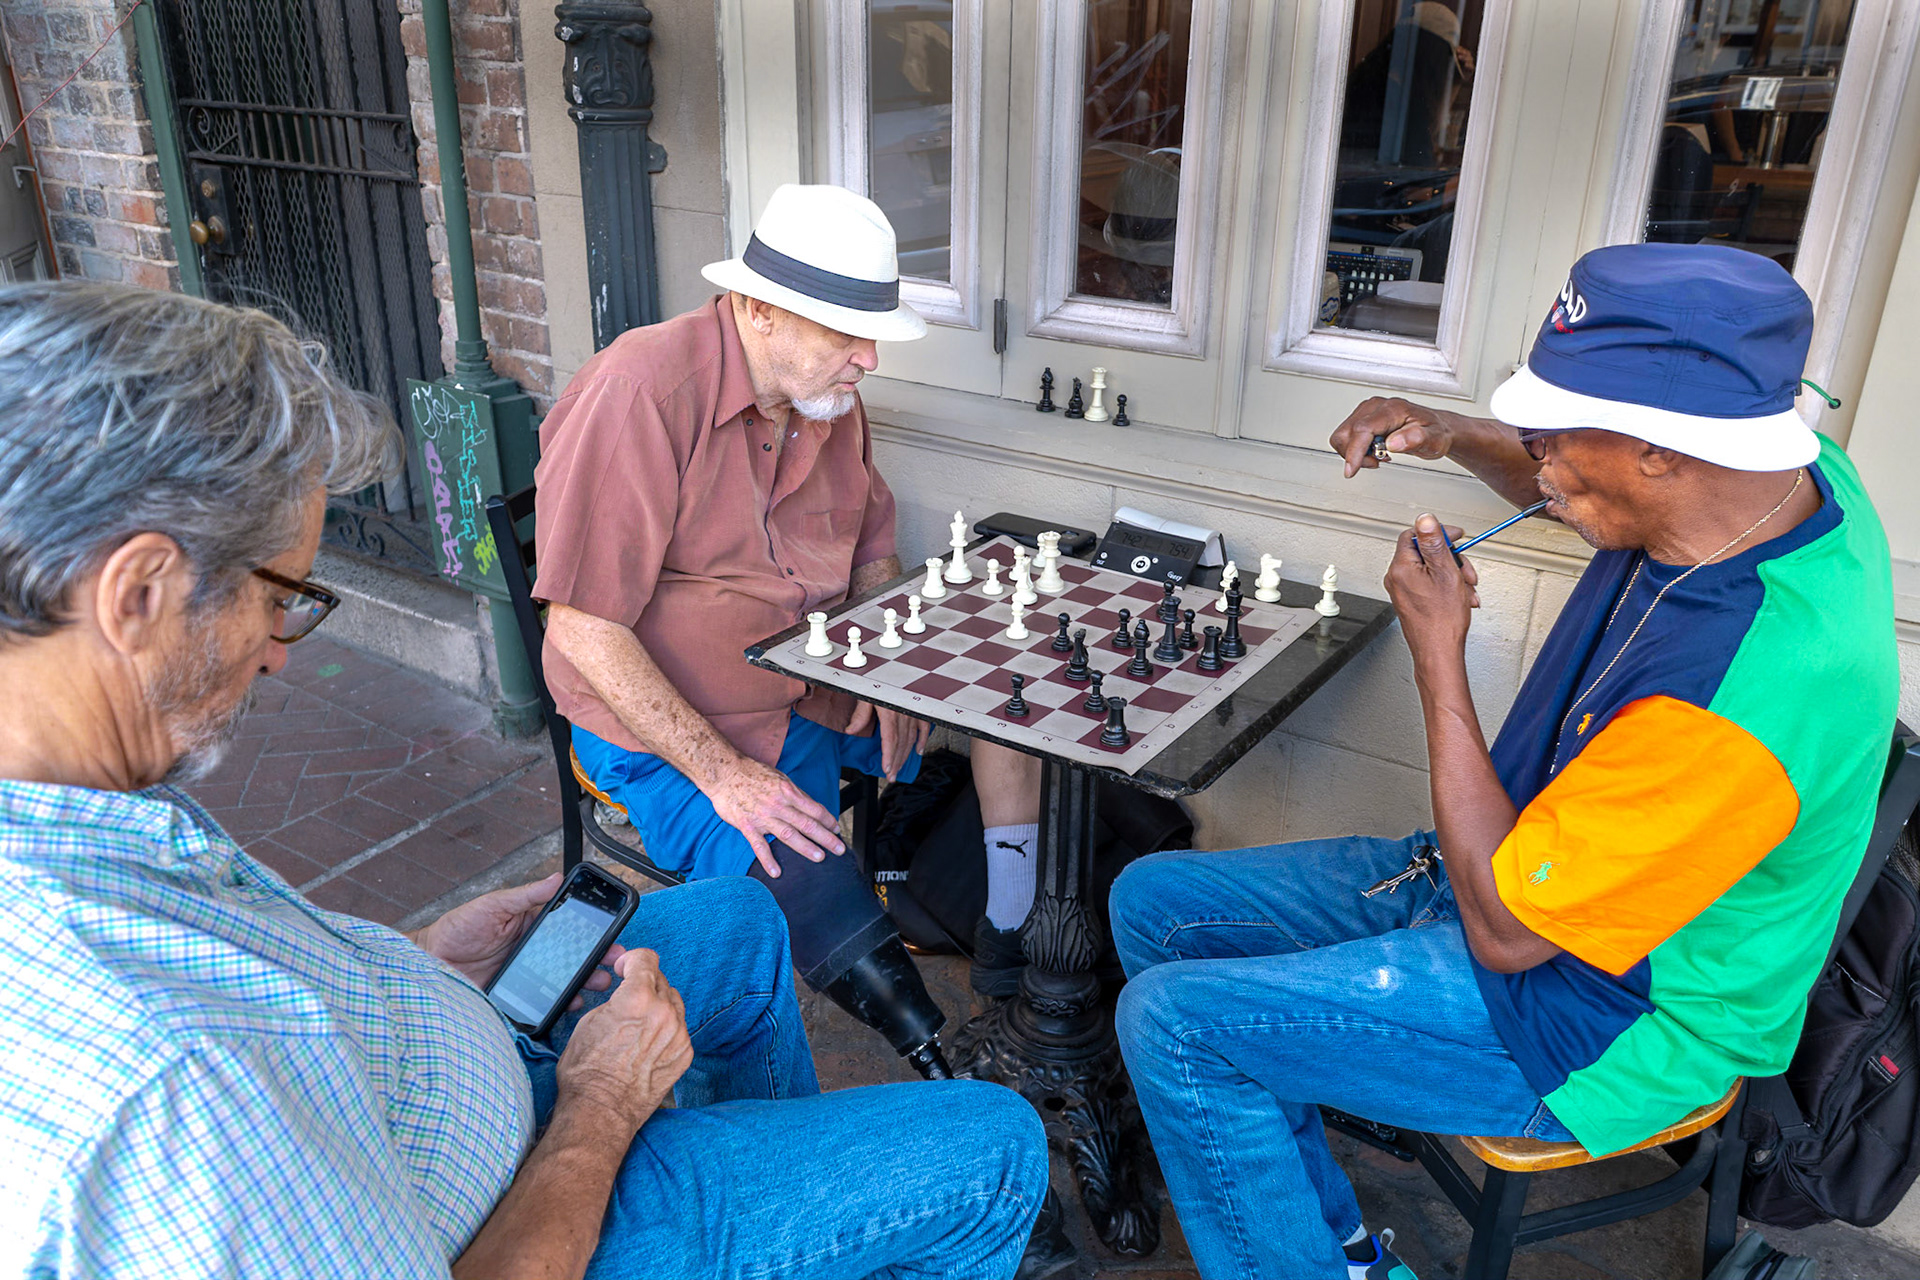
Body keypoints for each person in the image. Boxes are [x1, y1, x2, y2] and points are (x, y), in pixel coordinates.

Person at [0, 281, 1048, 1279]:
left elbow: (265, 1006)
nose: (280, 651)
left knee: (736, 919)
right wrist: (599, 1103)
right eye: (283, 596)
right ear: (135, 592)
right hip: (535, 1199)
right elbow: (584, 624)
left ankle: (787, 1201)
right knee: (996, 1141)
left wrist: (410, 959)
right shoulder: (154, 1076)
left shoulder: (93, 810)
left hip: (436, 1066)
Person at [1109, 243, 1899, 1279]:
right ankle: (1337, 1251)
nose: (1540, 465)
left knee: (1175, 1027)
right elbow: (1581, 471)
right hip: (1530, 868)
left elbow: (1508, 931)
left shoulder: (1754, 689)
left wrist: (1438, 654)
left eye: (1557, 439)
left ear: (1666, 449)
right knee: (1151, 903)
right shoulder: (1775, 468)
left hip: (1609, 1010)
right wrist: (1454, 436)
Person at [534, 183, 1045, 1073]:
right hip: (671, 732)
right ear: (761, 310)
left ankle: (1009, 939)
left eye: (871, 333)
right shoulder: (641, 392)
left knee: (1012, 693)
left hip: (810, 685)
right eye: (847, 334)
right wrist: (726, 776)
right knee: (780, 906)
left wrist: (888, 666)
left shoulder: (825, 401)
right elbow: (584, 627)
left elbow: (872, 551)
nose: (869, 360)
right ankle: (922, 1078)